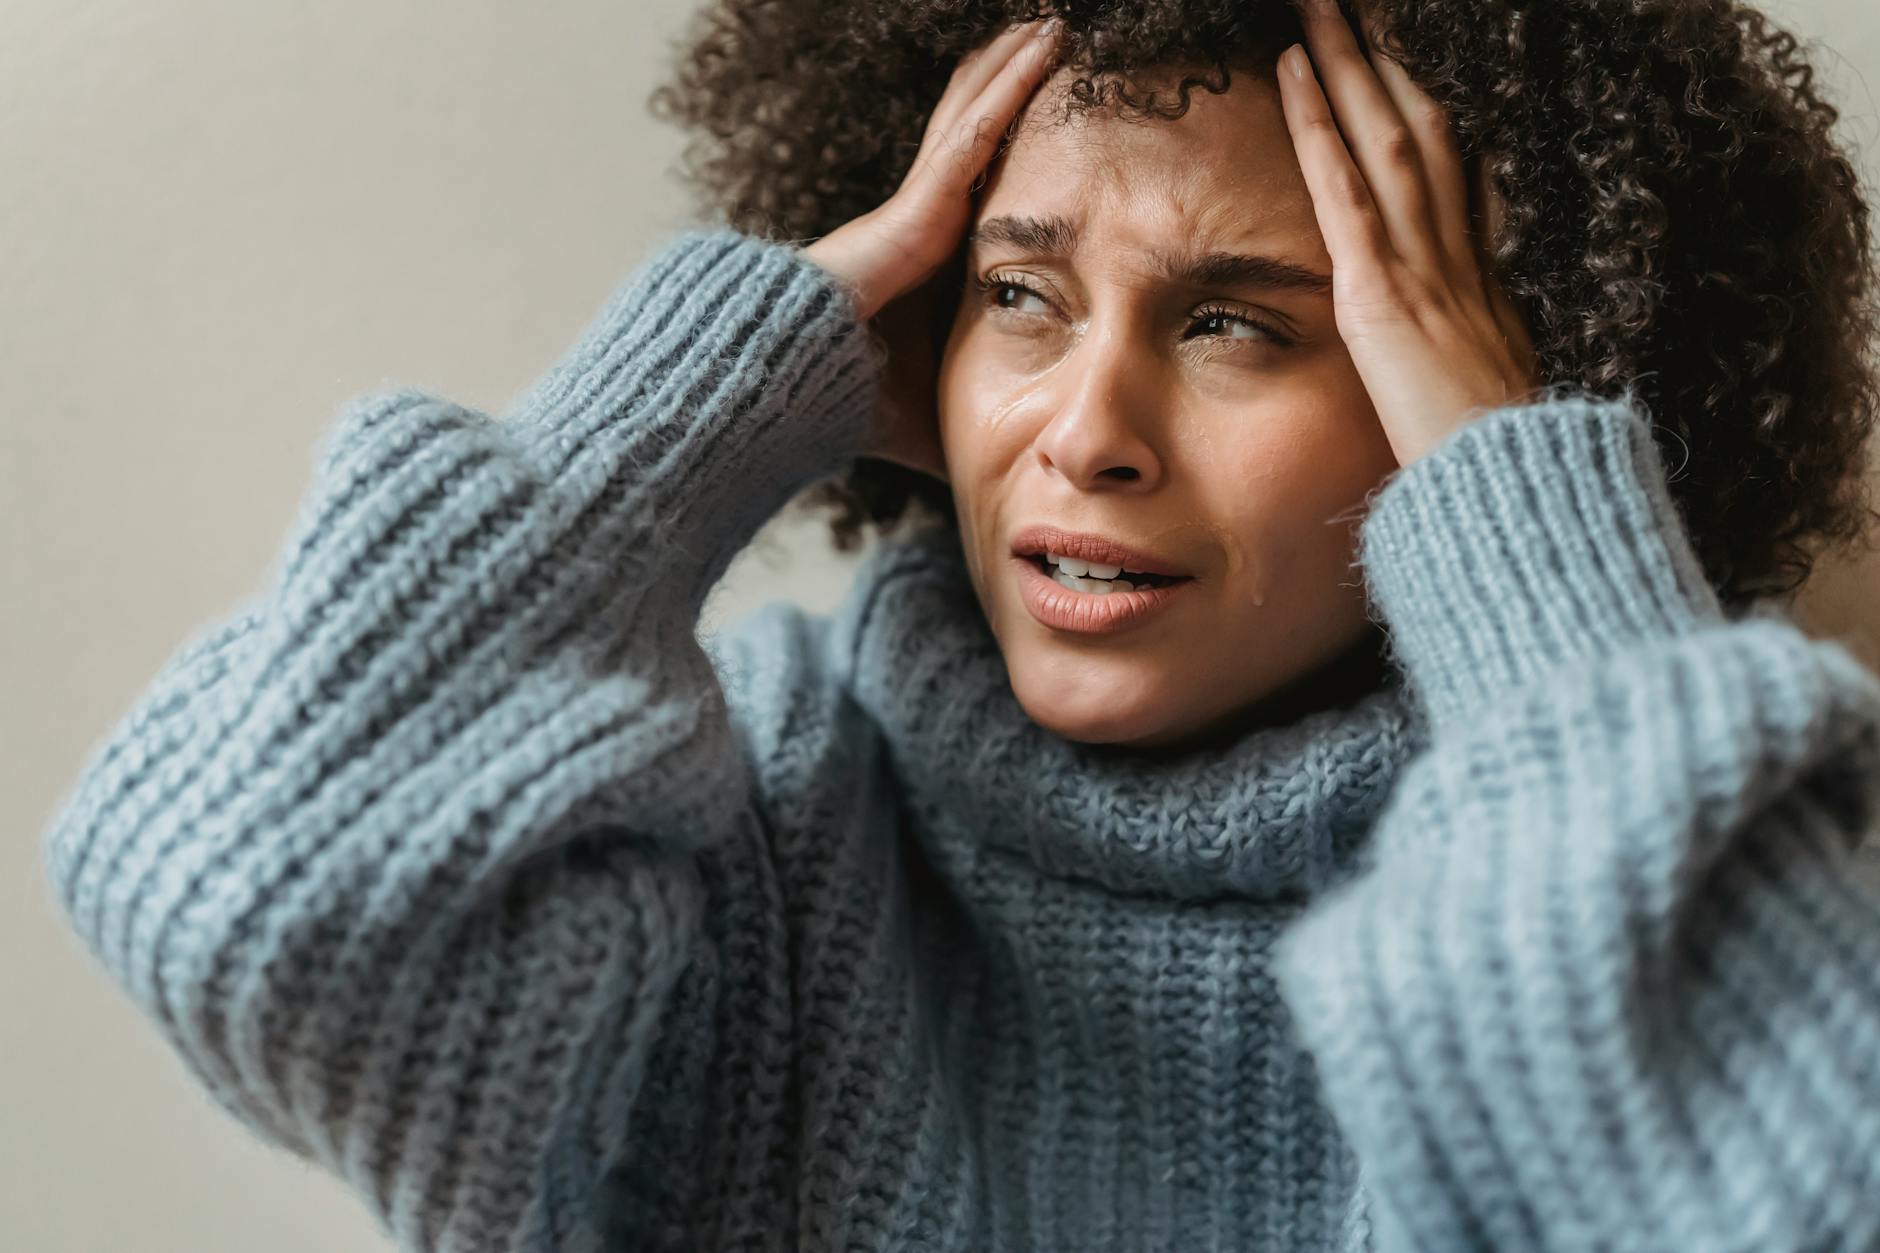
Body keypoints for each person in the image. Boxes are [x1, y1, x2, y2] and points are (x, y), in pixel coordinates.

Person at [38, 0, 1880, 1249]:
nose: (1084, 431)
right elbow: (238, 908)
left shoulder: (1698, 869)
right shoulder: (751, 816)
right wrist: (694, 398)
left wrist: (1525, 547)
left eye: (1241, 321)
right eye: (1019, 295)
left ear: (1470, 383)